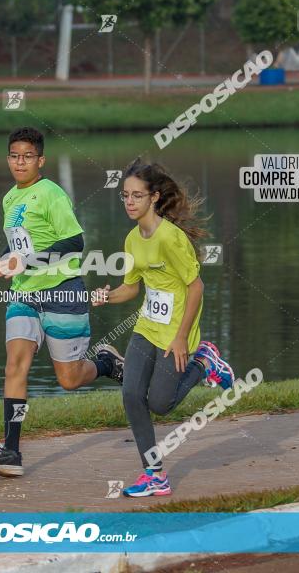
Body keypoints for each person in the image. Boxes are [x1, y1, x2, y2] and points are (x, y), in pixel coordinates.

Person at [0, 127, 123, 478]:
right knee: (14, 366)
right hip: (24, 294)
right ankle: (12, 452)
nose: (19, 162)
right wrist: (2, 260)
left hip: (62, 291)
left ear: (41, 160)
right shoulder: (9, 199)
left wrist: (29, 261)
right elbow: (18, 247)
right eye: (13, 155)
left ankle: (105, 364)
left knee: (69, 379)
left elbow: (75, 242)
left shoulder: (51, 194)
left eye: (27, 156)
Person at [92, 158, 234, 497]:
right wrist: (107, 296)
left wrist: (183, 337)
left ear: (154, 197)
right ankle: (154, 475)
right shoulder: (131, 240)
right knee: (131, 394)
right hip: (146, 327)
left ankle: (205, 361)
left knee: (160, 403)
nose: (129, 202)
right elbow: (132, 288)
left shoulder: (171, 239)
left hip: (177, 332)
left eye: (137, 195)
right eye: (125, 195)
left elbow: (196, 287)